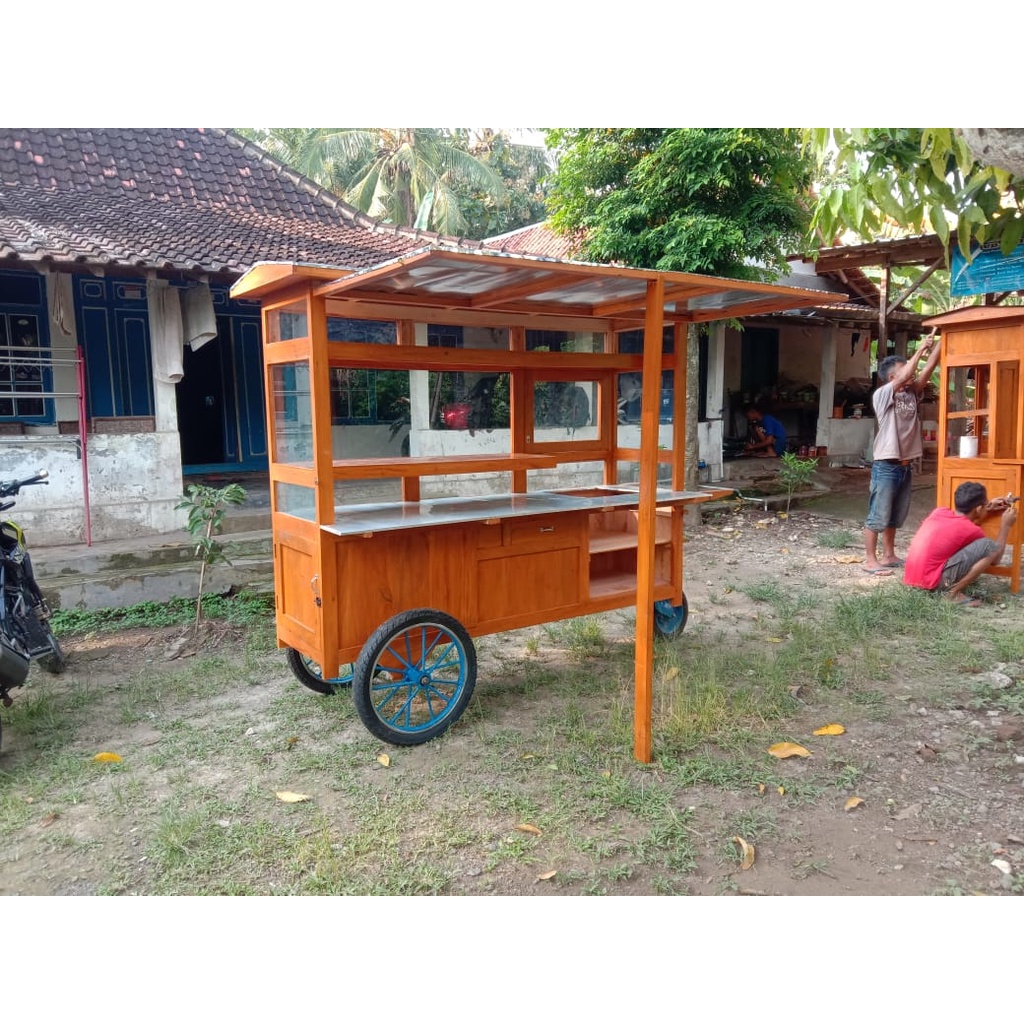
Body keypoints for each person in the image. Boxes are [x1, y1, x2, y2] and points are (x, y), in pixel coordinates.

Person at [862, 331, 943, 575]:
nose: (910, 372)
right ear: (892, 377)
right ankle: (870, 560)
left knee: (895, 515)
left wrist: (942, 340)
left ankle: (888, 555)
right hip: (886, 465)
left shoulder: (912, 393)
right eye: (903, 369)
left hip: (905, 465)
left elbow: (929, 367)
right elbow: (908, 373)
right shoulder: (882, 394)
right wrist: (920, 350)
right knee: (878, 515)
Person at [903, 482, 1018, 605]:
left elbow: (964, 523)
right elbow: (995, 559)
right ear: (978, 509)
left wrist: (985, 507)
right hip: (931, 583)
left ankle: (947, 590)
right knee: (988, 546)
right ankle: (952, 594)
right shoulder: (972, 530)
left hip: (912, 580)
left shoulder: (939, 511)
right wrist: (1005, 525)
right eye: (986, 503)